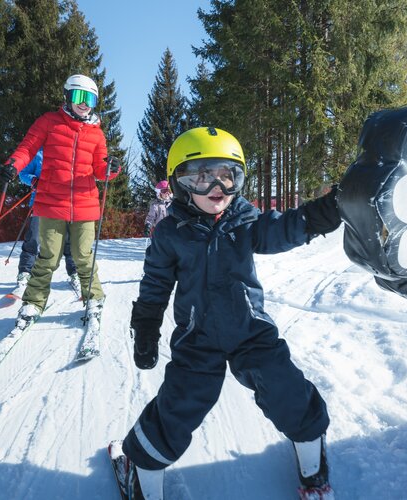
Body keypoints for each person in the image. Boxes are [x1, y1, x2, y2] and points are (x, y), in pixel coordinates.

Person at [117, 127, 342, 499]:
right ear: (180, 183)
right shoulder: (170, 232)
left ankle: (312, 462)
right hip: (197, 338)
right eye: (201, 177)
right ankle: (140, 466)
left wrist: (325, 212)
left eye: (227, 175)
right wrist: (145, 327)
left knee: (284, 386)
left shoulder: (245, 220)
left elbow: (284, 227)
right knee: (181, 405)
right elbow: (155, 283)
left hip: (250, 330)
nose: (216, 187)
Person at [0, 74, 121, 331]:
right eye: (79, 96)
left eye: (90, 98)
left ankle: (94, 298)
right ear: (67, 96)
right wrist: (14, 164)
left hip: (85, 203)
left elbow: (101, 170)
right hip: (51, 202)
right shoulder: (49, 122)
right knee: (48, 257)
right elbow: (28, 148)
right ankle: (33, 302)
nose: (84, 103)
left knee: (83, 256)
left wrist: (111, 168)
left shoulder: (97, 134)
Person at [14, 149, 80, 299]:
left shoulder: (70, 152)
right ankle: (25, 274)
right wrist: (33, 180)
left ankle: (74, 273)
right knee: (33, 239)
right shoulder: (39, 154)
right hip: (40, 204)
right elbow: (23, 173)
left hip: (65, 204)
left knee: (69, 241)